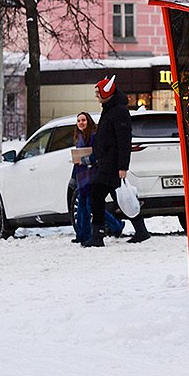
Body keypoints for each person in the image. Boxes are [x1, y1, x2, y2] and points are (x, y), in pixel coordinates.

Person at [82, 75, 151, 247]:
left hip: (112, 165)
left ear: (107, 93)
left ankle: (98, 235)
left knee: (97, 193)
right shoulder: (109, 108)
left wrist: (122, 166)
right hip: (107, 163)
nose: (96, 96)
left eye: (98, 93)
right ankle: (141, 230)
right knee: (122, 197)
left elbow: (123, 140)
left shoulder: (119, 112)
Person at [72, 111, 124, 243]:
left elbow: (97, 155)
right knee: (82, 206)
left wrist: (84, 160)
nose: (81, 123)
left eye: (83, 120)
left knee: (91, 206)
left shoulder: (94, 137)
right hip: (81, 176)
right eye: (78, 121)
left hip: (93, 175)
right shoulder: (79, 137)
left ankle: (116, 225)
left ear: (88, 121)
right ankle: (82, 235)